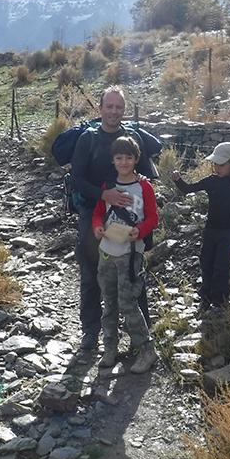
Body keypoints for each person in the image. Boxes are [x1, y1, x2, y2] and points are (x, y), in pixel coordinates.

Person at [70, 86, 158, 353]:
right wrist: (104, 194)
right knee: (91, 274)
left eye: (119, 107)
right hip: (95, 217)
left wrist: (143, 223)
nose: (114, 111)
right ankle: (91, 333)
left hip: (130, 219)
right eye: (109, 106)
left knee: (133, 275)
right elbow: (76, 179)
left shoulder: (131, 138)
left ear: (124, 109)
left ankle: (140, 336)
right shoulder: (88, 139)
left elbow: (146, 176)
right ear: (100, 108)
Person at [92, 136, 159, 373]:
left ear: (136, 159)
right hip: (107, 252)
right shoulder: (108, 186)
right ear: (113, 160)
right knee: (109, 303)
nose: (123, 162)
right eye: (119, 157)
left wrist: (139, 231)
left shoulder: (145, 187)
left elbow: (153, 217)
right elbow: (99, 212)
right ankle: (110, 348)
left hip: (131, 254)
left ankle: (146, 350)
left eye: (128, 157)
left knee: (129, 303)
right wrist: (97, 227)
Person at [171, 141, 230, 315]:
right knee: (206, 262)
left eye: (221, 164)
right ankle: (206, 297)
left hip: (228, 233)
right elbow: (188, 189)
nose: (217, 167)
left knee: (222, 267)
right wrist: (178, 180)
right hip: (210, 231)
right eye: (215, 163)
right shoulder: (211, 181)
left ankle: (221, 300)